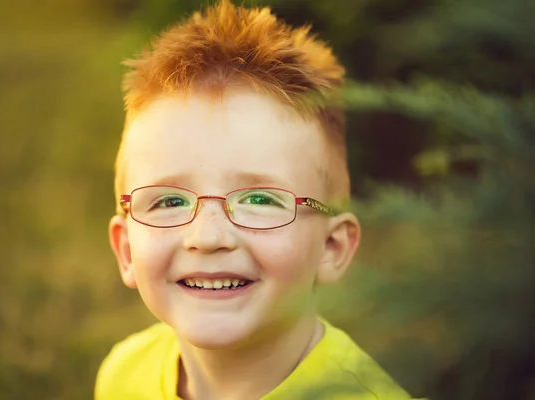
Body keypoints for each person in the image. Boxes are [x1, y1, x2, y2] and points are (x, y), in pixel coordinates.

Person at [96, 1, 420, 398]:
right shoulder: (124, 375)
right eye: (169, 202)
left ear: (331, 247)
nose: (208, 237)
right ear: (127, 249)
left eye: (260, 199)